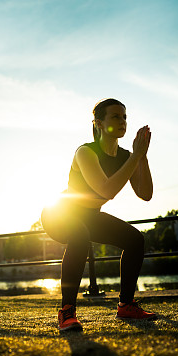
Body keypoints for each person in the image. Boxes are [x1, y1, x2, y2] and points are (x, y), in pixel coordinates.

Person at [41, 98, 156, 331]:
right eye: (115, 117)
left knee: (135, 239)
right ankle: (67, 311)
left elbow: (145, 194)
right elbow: (106, 190)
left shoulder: (126, 156)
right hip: (59, 214)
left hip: (89, 215)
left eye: (124, 117)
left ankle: (126, 305)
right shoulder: (85, 152)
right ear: (99, 124)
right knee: (80, 235)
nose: (122, 122)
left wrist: (141, 156)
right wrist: (135, 156)